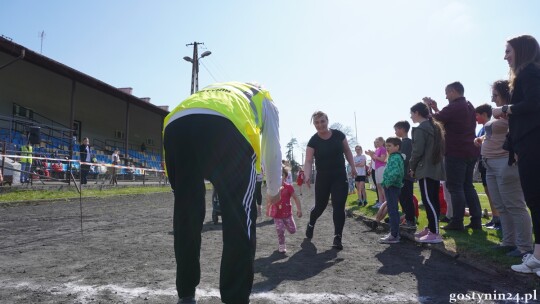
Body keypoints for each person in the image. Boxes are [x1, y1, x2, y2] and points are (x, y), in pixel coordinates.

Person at [163, 82, 282, 304]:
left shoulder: (213, 91)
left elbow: (178, 187)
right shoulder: (264, 97)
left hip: (175, 123)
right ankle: (235, 298)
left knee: (186, 217)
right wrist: (274, 190)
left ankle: (185, 295)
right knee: (239, 216)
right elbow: (272, 147)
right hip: (225, 127)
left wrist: (181, 195)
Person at [490, 35, 540, 275]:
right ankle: (537, 257)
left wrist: (505, 109)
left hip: (533, 145)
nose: (505, 56)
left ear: (521, 50)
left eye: (508, 51)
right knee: (534, 201)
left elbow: (535, 103)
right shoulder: (530, 73)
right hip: (527, 145)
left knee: (535, 201)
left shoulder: (529, 72)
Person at [477, 80, 533, 258]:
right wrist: (483, 139)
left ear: (504, 93)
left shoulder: (512, 110)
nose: (492, 99)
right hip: (490, 163)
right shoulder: (497, 113)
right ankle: (508, 242)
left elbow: (521, 129)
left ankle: (524, 247)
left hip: (506, 162)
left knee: (514, 205)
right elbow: (497, 132)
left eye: (495, 95)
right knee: (501, 205)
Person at [424, 82, 482, 231]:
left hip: (456, 152)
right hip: (470, 151)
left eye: (447, 93)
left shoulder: (455, 106)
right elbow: (447, 118)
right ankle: (476, 220)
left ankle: (457, 221)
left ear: (454, 91)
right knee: (468, 186)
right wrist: (436, 108)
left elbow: (434, 120)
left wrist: (427, 106)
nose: (445, 96)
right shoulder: (468, 105)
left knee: (455, 187)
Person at [303, 111, 356, 250]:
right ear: (314, 124)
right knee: (320, 206)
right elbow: (308, 160)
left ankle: (337, 237)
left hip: (339, 176)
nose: (320, 125)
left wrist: (353, 166)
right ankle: (311, 223)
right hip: (323, 177)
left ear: (327, 120)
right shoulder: (313, 140)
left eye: (322, 121)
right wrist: (307, 175)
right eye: (316, 122)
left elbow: (347, 151)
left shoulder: (339, 135)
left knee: (339, 206)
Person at [409, 102, 446, 244]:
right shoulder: (434, 127)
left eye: (412, 114)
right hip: (434, 169)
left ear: (417, 113)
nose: (411, 117)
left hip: (426, 169)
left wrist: (412, 166)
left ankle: (435, 232)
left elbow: (417, 151)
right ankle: (431, 228)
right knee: (433, 200)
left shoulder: (421, 129)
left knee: (429, 200)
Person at [474, 104, 501, 230]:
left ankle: (499, 219)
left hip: (489, 161)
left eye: (477, 115)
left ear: (484, 114)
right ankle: (495, 218)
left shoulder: (490, 126)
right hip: (482, 161)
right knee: (488, 190)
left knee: (493, 191)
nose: (476, 118)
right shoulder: (482, 128)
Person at [268, 167, 302, 253]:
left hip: (287, 214)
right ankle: (282, 245)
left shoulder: (289, 187)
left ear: (285, 176)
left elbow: (296, 198)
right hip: (277, 215)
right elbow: (269, 199)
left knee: (292, 230)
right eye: (277, 175)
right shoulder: (273, 188)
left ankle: (286, 225)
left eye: (281, 174)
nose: (279, 176)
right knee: (280, 230)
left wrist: (299, 209)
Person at [379, 137, 405, 244]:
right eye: (386, 146)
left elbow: (396, 172)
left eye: (389, 146)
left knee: (392, 210)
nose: (387, 148)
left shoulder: (395, 158)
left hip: (392, 186)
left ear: (397, 147)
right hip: (391, 186)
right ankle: (394, 233)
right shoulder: (393, 157)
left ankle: (394, 235)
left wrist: (388, 182)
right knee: (392, 209)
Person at [394, 120, 416, 228]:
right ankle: (407, 219)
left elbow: (405, 159)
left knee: (407, 199)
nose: (395, 132)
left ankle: (411, 221)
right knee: (402, 198)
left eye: (396, 130)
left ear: (402, 129)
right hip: (401, 176)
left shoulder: (407, 143)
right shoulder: (402, 143)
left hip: (405, 176)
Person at [366, 137, 387, 209]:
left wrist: (373, 155)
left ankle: (386, 202)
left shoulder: (383, 149)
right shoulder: (377, 149)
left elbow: (382, 159)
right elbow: (375, 160)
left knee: (382, 185)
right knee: (378, 186)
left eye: (378, 142)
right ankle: (380, 202)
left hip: (382, 167)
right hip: (377, 168)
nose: (376, 143)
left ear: (382, 142)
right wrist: (371, 155)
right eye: (376, 142)